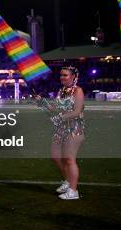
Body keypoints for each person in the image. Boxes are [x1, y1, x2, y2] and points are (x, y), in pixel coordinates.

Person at [35, 66, 85, 200]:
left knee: (69, 159)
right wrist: (42, 102)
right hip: (61, 128)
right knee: (55, 157)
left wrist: (60, 117)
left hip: (74, 128)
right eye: (61, 75)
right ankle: (68, 182)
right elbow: (55, 107)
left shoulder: (78, 91)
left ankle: (73, 191)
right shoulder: (62, 90)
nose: (62, 77)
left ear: (73, 77)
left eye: (65, 75)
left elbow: (77, 111)